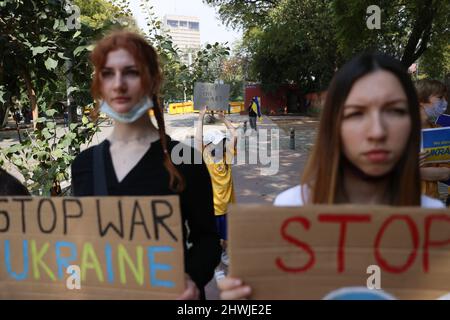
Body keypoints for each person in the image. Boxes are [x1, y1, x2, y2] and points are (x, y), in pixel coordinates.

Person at [218, 53, 445, 300]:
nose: (377, 131)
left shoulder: (435, 221)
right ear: (334, 125)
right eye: (357, 113)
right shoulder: (291, 210)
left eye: (395, 111)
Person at [70, 30, 221, 300]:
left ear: (152, 81)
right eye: (107, 73)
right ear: (99, 85)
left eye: (131, 72)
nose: (118, 84)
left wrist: (192, 279)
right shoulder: (84, 165)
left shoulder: (185, 161)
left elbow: (207, 240)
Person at [195, 107, 238, 282]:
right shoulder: (217, 161)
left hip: (221, 209)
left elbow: (233, 134)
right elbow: (233, 134)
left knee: (222, 239)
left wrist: (207, 118)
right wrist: (217, 119)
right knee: (220, 239)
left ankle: (222, 258)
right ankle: (220, 265)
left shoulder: (217, 160)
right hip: (220, 209)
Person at [415, 79, 449, 202]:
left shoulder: (439, 131)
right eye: (440, 98)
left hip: (431, 202)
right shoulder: (400, 129)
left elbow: (445, 173)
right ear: (421, 101)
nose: (444, 102)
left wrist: (411, 170)